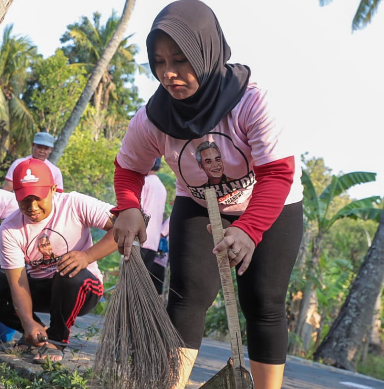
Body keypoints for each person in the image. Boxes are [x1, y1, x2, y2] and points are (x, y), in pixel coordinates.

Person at [111, 1, 303, 388]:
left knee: (263, 303)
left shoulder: (252, 101)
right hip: (199, 205)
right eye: (160, 62)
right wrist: (129, 206)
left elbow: (277, 173)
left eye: (181, 60)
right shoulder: (152, 118)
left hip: (270, 203)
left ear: (207, 52)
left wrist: (249, 230)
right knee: (186, 297)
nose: (169, 74)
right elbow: (129, 167)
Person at [0, 159, 117, 363]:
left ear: (53, 189)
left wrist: (87, 256)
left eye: (38, 198)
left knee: (68, 269)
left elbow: (122, 227)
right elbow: (18, 283)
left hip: (81, 288)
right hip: (41, 289)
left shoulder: (74, 204)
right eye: (24, 200)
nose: (32, 207)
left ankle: (57, 339)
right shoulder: (10, 229)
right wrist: (28, 321)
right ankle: (37, 333)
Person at [140, 158, 168, 294]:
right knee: (143, 281)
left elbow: (137, 210)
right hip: (153, 241)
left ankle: (126, 313)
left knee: (132, 280)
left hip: (140, 237)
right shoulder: (162, 188)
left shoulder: (144, 183)